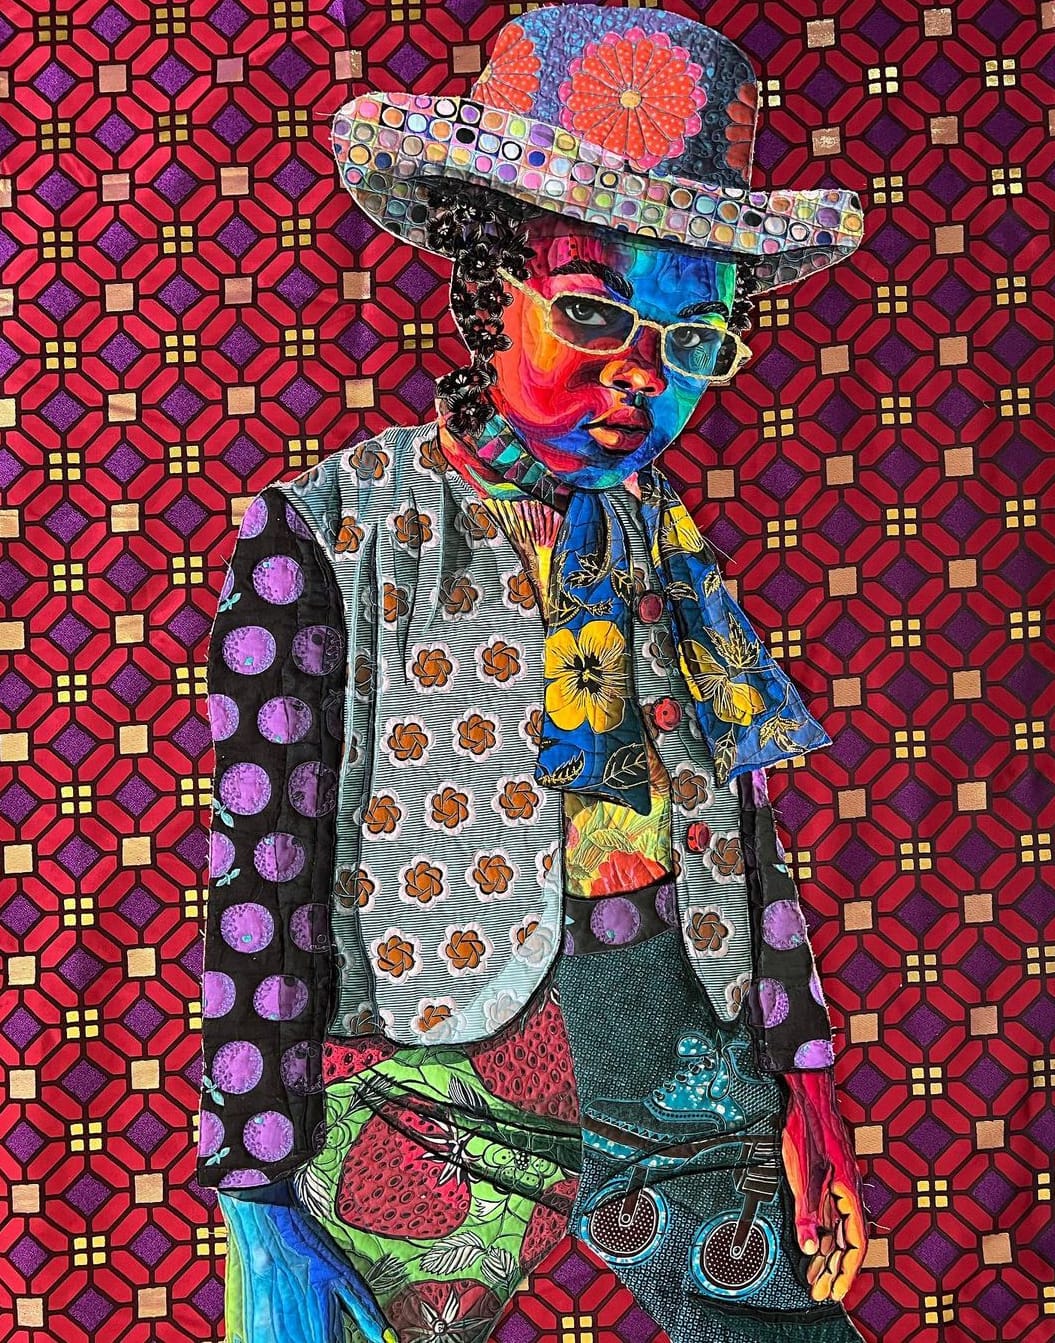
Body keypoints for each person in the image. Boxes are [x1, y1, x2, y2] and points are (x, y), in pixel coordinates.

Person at [195, 8, 870, 1343]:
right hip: (419, 1077)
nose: (641, 378)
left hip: (671, 1038)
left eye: (693, 338)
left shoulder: (665, 545)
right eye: (594, 315)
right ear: (485, 283)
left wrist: (803, 1084)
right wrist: (255, 1185)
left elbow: (740, 829)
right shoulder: (327, 531)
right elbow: (262, 870)